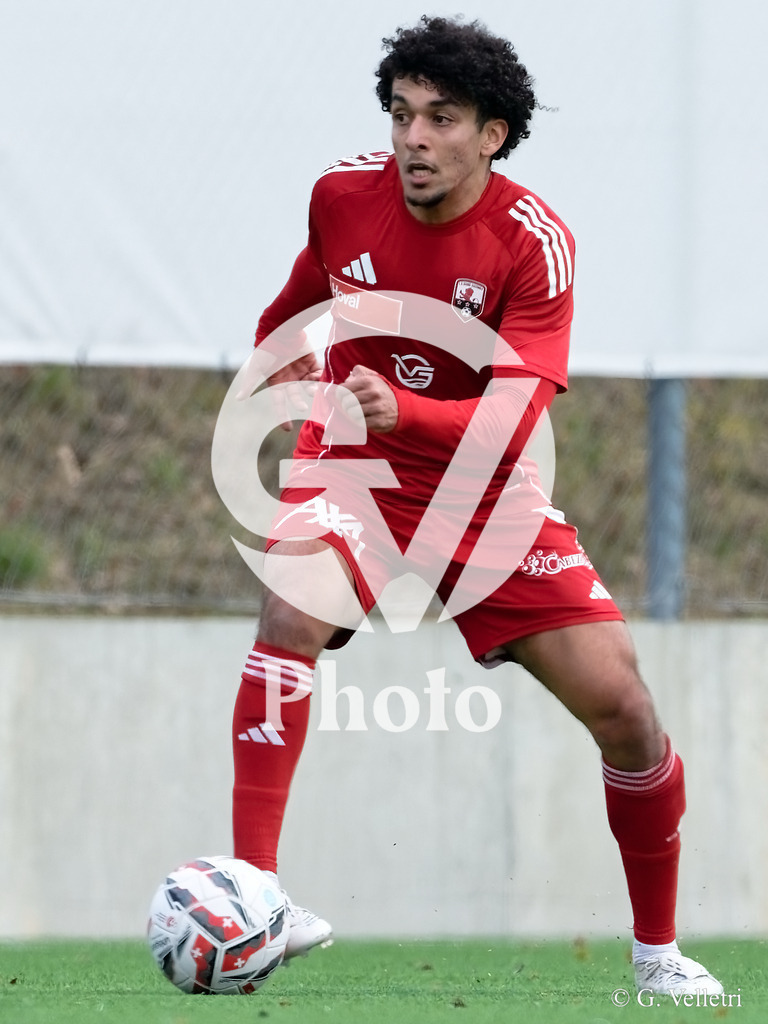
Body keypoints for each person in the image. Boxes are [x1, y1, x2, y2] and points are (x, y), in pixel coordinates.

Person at [230, 16, 722, 995]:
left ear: (492, 134)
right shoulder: (340, 196)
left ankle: (658, 954)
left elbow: (511, 418)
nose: (413, 137)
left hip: (483, 494)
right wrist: (277, 382)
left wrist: (400, 404)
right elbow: (294, 307)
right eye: (402, 113)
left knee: (625, 709)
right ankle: (254, 895)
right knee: (288, 608)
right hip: (358, 469)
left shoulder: (533, 243)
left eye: (441, 119)